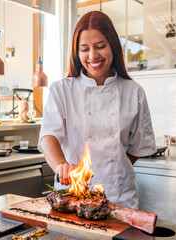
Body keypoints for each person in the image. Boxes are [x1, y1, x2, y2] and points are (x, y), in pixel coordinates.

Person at [38, 11, 156, 209]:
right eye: (84, 49)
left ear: (113, 46)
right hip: (71, 197)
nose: (93, 56)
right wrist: (61, 166)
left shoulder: (134, 92)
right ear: (76, 52)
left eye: (100, 46)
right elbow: (48, 136)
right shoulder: (62, 90)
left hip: (119, 198)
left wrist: (115, 169)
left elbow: (138, 148)